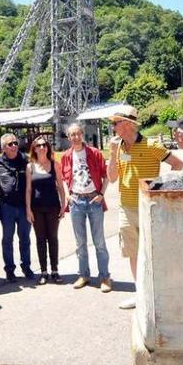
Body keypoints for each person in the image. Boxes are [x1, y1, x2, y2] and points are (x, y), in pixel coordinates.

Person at [107, 106, 182, 310]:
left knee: (152, 251)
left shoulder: (151, 145)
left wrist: (161, 187)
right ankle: (140, 294)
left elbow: (178, 165)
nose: (112, 126)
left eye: (116, 122)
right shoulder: (119, 148)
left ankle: (159, 295)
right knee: (133, 252)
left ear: (129, 124)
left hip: (148, 207)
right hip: (126, 206)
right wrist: (113, 154)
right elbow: (112, 178)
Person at [60, 124, 112, 292]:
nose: (75, 137)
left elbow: (106, 176)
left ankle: (104, 277)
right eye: (72, 135)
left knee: (99, 242)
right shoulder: (66, 156)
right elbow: (63, 178)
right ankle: (83, 274)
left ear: (82, 135)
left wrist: (101, 195)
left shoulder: (95, 153)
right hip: (76, 202)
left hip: (93, 201)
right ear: (68, 138)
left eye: (78, 134)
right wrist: (68, 195)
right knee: (80, 242)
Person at [25, 135, 66, 285]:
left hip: (53, 207)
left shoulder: (54, 164)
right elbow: (28, 190)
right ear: (34, 149)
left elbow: (61, 186)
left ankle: (55, 270)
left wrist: (63, 205)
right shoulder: (30, 166)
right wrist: (28, 209)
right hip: (36, 209)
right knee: (40, 240)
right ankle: (43, 272)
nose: (42, 148)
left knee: (53, 239)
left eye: (44, 145)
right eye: (38, 146)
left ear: (48, 148)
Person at [0, 133, 33, 282]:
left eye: (15, 143)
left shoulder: (24, 160)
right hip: (7, 207)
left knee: (25, 238)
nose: (14, 146)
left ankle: (26, 266)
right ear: (3, 148)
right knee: (7, 239)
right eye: (10, 144)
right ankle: (10, 270)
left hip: (23, 206)